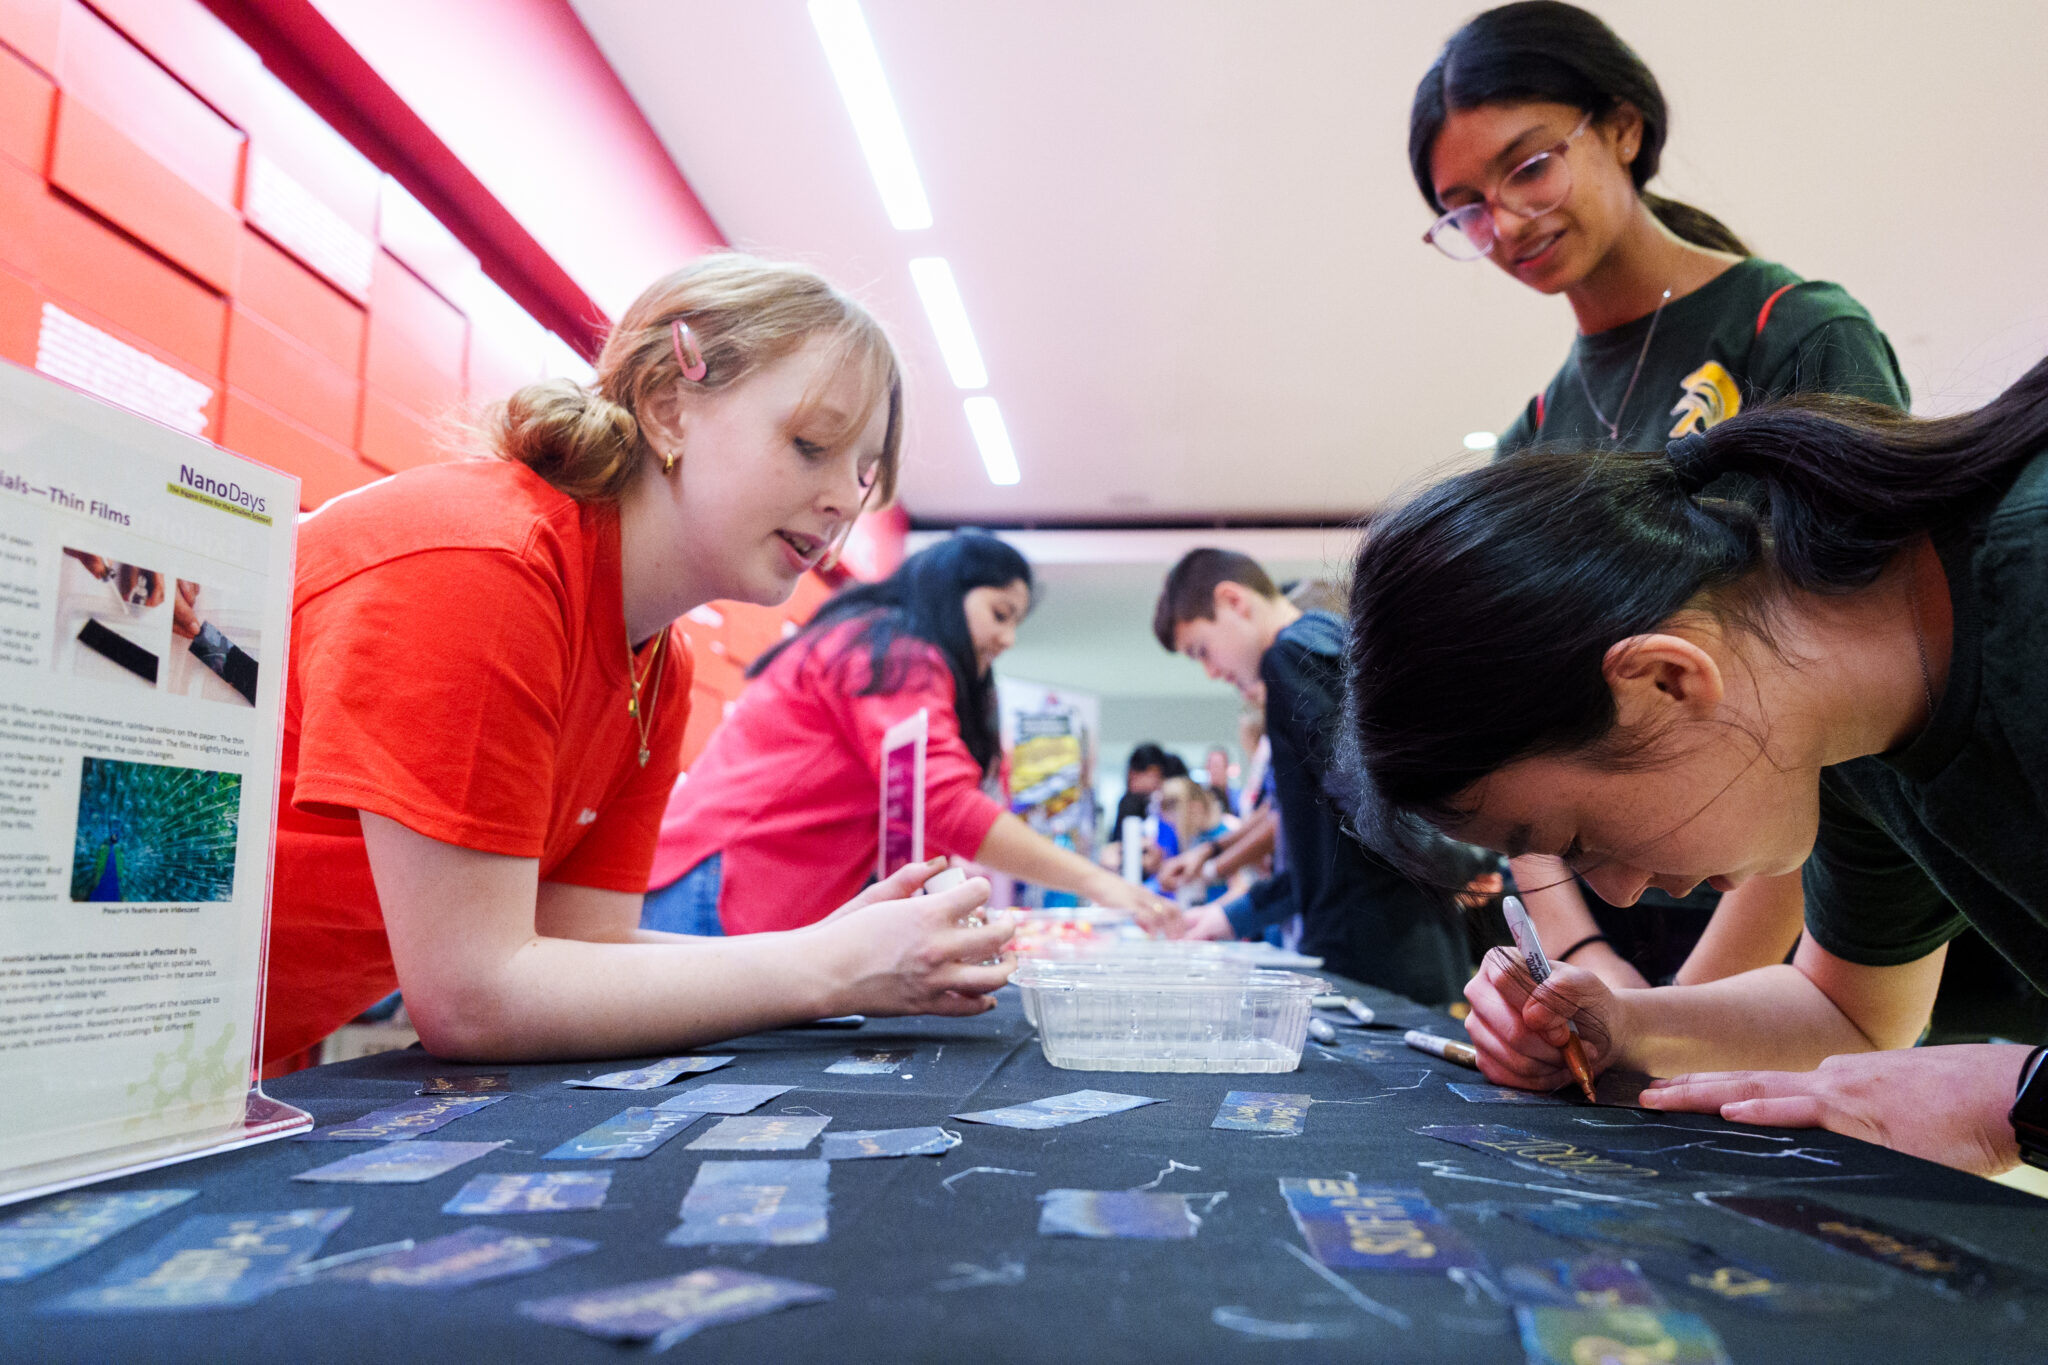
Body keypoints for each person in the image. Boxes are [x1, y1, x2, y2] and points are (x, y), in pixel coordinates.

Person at [263, 254, 1014, 1073]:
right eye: (810, 444)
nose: (843, 498)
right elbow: (475, 997)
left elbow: (577, 947)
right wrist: (827, 967)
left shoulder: (660, 664)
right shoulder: (489, 565)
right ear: (668, 407)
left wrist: (833, 950)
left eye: (864, 473)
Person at [1341, 358, 2048, 1176]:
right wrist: (1625, 1026)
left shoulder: (2029, 581)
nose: (1613, 892)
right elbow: (1850, 1012)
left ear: (1666, 680)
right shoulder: (1842, 740)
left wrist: (2018, 1095)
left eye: (1580, 837)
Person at [1409, 0, 1909, 991]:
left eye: (1527, 166)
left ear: (1623, 128)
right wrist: (1583, 960)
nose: (1504, 224)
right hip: (1609, 921)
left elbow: (1830, 716)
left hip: (1795, 924)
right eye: (1464, 207)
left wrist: (1683, 1015)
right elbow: (1512, 739)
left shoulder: (1793, 336)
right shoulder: (1537, 431)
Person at [645, 533, 1176, 934]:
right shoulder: (893, 653)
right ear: (951, 591)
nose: (1008, 638)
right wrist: (1100, 884)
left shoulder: (873, 642)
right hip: (721, 881)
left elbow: (923, 821)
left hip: (729, 882)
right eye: (999, 613)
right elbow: (944, 803)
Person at [1155, 548, 1467, 1002]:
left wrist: (1461, 864)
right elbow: (1330, 843)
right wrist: (1231, 916)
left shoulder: (1290, 655)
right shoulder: (1331, 638)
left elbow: (1363, 805)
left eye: (1202, 650)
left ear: (1233, 601)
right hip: (1408, 938)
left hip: (1375, 950)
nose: (1210, 671)